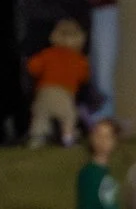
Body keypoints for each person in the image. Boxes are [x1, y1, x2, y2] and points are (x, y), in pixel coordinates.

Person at [24, 17, 91, 147]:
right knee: (68, 117)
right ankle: (68, 139)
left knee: (41, 117)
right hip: (64, 94)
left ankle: (36, 140)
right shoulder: (79, 59)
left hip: (44, 92)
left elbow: (33, 67)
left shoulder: (47, 54)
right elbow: (84, 77)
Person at [77, 119, 122, 209]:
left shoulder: (108, 173)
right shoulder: (89, 174)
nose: (102, 140)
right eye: (98, 135)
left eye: (108, 136)